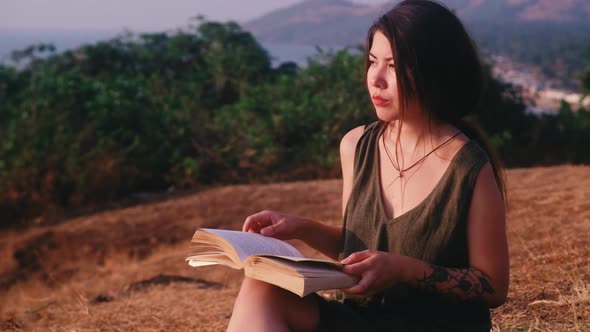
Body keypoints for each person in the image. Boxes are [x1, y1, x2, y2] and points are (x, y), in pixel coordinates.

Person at [227, 1, 509, 331]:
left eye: (394, 65)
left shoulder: (469, 169)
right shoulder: (357, 146)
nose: (375, 78)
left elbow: (493, 286)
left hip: (431, 324)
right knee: (261, 288)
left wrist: (404, 269)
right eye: (373, 61)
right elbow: (357, 249)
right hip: (363, 319)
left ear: (435, 70)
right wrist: (300, 228)